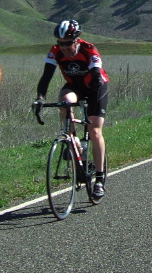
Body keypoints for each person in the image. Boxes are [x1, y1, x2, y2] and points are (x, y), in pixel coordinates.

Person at [35, 20, 109, 199]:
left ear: (77, 40)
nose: (64, 47)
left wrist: (96, 78)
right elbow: (46, 77)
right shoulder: (55, 52)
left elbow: (97, 72)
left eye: (68, 43)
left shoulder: (88, 49)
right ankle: (73, 141)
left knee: (94, 130)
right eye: (61, 43)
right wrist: (39, 99)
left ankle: (99, 179)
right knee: (64, 102)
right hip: (74, 86)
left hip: (95, 87)